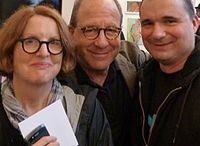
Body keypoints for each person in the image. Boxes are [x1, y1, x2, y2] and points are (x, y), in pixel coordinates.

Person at [0, 5, 113, 146]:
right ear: (10, 51)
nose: (43, 52)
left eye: (53, 43)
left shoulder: (88, 109)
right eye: (30, 41)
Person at [58, 0, 149, 146]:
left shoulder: (132, 60)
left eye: (111, 30)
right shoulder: (56, 84)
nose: (102, 43)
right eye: (90, 30)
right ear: (71, 32)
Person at [134, 0, 200, 145]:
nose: (157, 34)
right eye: (148, 23)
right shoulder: (141, 78)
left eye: (170, 21)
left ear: (194, 23)